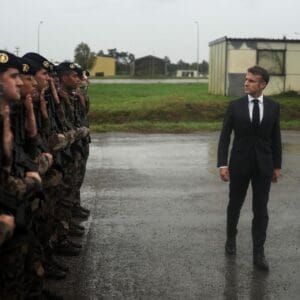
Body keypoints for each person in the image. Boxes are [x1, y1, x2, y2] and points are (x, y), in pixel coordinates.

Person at [217, 65, 282, 271]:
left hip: (264, 166)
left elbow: (275, 138)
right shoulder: (235, 106)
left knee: (261, 210)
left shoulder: (273, 106)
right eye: (246, 79)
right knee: (235, 205)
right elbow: (225, 136)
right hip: (239, 164)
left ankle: (258, 253)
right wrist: (222, 164)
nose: (246, 83)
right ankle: (230, 238)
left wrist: (277, 166)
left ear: (263, 85)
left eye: (251, 80)